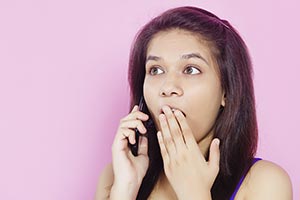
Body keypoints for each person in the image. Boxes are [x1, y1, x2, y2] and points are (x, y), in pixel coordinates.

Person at [95, 6, 292, 200]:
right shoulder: (117, 175)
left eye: (190, 69)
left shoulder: (265, 182)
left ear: (227, 91)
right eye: (155, 70)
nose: (168, 87)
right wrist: (125, 190)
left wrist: (194, 193)